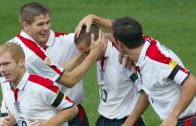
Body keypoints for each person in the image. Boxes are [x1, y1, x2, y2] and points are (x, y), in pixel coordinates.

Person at [75, 15, 196, 126]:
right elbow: (123, 30)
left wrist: (173, 116)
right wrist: (95, 19)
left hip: (185, 120)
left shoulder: (155, 61)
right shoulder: (142, 43)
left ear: (120, 45)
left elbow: (191, 83)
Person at [0, 3, 104, 126]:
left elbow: (49, 76)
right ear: (25, 25)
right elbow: (69, 81)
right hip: (32, 116)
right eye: (40, 24)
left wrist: (80, 57)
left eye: (48, 22)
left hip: (14, 114)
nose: (46, 28)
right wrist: (92, 55)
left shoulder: (8, 48)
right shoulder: (31, 54)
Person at [74, 24, 145, 126]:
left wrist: (131, 120)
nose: (86, 57)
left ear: (100, 42)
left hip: (125, 121)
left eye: (87, 52)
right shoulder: (99, 56)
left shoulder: (122, 58)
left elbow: (144, 91)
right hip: (104, 119)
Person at [0, 42, 78, 126]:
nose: (2, 70)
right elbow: (19, 110)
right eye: (0, 65)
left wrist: (47, 124)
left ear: (21, 62)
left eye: (6, 64)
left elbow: (71, 109)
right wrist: (6, 121)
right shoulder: (7, 87)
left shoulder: (42, 86)